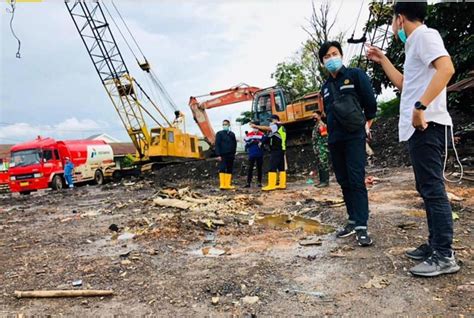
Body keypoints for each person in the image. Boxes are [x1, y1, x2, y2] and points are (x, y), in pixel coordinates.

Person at [366, 1, 458, 277]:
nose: (394, 28)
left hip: (428, 124)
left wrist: (420, 107)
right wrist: (383, 60)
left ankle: (444, 254)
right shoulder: (414, 43)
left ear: (400, 18)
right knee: (426, 187)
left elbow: (447, 68)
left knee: (433, 189)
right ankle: (435, 245)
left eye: (393, 21)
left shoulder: (425, 36)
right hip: (420, 128)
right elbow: (406, 83)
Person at [318, 40, 377, 247]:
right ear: (322, 62)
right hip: (335, 139)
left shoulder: (355, 75)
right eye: (326, 57)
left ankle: (362, 226)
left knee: (356, 179)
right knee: (343, 180)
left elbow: (370, 103)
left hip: (354, 137)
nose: (331, 59)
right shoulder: (325, 87)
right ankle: (352, 220)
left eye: (334, 54)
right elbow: (328, 114)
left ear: (341, 55)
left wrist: (367, 124)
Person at [250, 114, 287, 191]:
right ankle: (282, 184)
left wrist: (256, 126)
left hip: (276, 149)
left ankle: (271, 185)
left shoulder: (276, 125)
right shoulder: (280, 128)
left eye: (271, 121)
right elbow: (268, 136)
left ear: (276, 120)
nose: (270, 123)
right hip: (281, 149)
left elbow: (268, 128)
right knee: (281, 167)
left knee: (272, 166)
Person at [215, 119, 237, 190]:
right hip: (222, 154)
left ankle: (227, 184)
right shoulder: (219, 134)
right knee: (222, 168)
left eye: (226, 124)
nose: (224, 126)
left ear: (229, 125)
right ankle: (222, 184)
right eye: (223, 124)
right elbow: (217, 144)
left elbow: (234, 144)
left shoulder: (232, 134)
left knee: (229, 169)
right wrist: (218, 155)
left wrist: (234, 153)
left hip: (230, 154)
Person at [312, 110, 330, 188]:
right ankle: (321, 181)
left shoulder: (321, 125)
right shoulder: (316, 125)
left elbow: (325, 137)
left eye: (315, 116)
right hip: (318, 148)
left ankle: (325, 181)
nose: (314, 118)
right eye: (313, 116)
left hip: (322, 148)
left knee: (324, 164)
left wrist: (323, 148)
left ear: (319, 116)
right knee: (320, 165)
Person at [244, 122, 265, 188]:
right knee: (250, 168)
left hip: (259, 154)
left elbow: (264, 143)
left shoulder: (262, 134)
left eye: (256, 127)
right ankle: (248, 183)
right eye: (254, 127)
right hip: (252, 154)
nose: (255, 129)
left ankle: (259, 182)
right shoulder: (249, 135)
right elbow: (246, 145)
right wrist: (251, 142)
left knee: (259, 169)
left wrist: (260, 143)